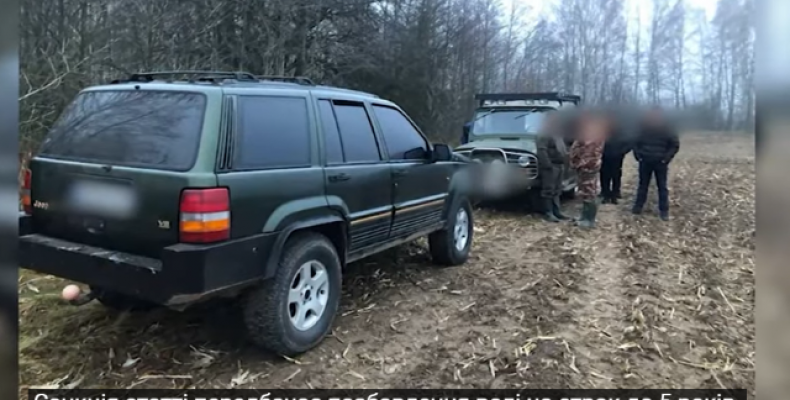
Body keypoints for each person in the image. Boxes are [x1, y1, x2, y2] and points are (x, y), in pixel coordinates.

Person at [631, 107, 680, 221]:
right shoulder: (643, 127)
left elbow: (675, 145)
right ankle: (637, 207)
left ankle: (664, 211)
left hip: (660, 163)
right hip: (645, 161)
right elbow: (635, 142)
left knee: (662, 187)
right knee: (643, 185)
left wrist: (666, 159)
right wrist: (638, 156)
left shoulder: (668, 128)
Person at [568, 111, 609, 228]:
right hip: (586, 165)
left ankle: (589, 220)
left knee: (589, 192)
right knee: (585, 191)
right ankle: (584, 217)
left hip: (587, 165)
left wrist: (576, 161)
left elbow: (584, 149)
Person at [535, 111, 570, 222]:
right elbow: (542, 150)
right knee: (548, 190)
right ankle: (548, 212)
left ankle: (557, 211)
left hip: (559, 165)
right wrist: (547, 165)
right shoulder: (544, 133)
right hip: (551, 166)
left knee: (557, 190)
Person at [599, 115, 632, 204]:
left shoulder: (621, 132)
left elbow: (629, 143)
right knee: (604, 176)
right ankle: (605, 194)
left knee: (616, 176)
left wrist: (622, 152)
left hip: (617, 158)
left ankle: (615, 194)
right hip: (604, 157)